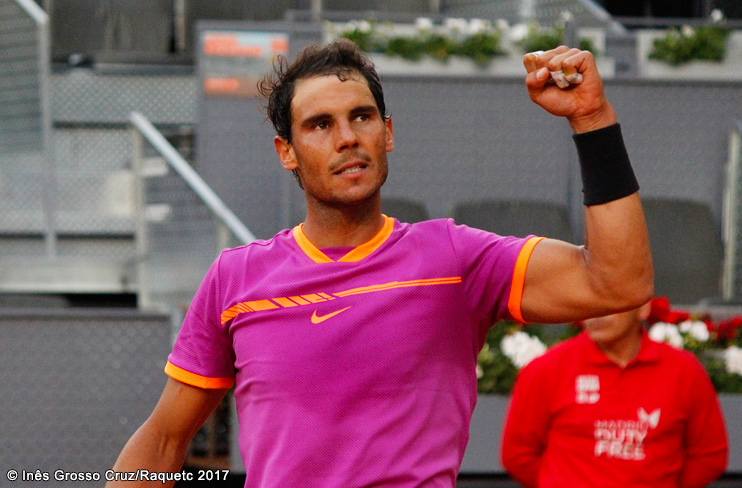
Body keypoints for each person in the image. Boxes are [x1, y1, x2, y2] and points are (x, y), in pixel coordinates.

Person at [106, 39, 653, 487]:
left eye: (361, 117)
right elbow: (163, 441)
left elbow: (618, 282)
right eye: (320, 125)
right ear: (286, 152)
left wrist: (592, 119)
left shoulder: (455, 260)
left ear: (386, 133)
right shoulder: (236, 278)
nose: (347, 138)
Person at [501, 301, 729, 488]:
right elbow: (517, 455)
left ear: (643, 307)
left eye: (609, 300)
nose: (596, 312)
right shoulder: (546, 369)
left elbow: (710, 456)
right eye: (589, 300)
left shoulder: (684, 370)